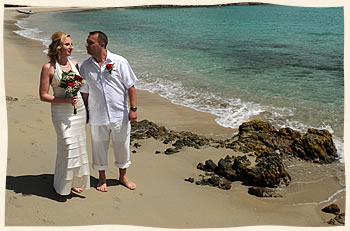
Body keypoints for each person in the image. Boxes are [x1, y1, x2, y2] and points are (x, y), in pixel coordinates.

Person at [80, 31, 137, 192]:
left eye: (90, 42)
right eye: (87, 42)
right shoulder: (85, 66)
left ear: (102, 44)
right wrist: (85, 113)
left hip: (120, 114)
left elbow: (131, 86)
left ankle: (123, 176)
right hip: (97, 115)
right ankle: (102, 178)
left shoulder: (120, 62)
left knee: (122, 146)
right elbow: (84, 92)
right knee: (98, 147)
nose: (86, 45)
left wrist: (133, 109)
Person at [39, 32, 90, 196]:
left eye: (71, 44)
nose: (71, 47)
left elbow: (80, 89)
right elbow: (43, 95)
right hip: (61, 112)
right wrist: (65, 101)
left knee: (78, 146)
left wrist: (87, 108)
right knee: (67, 145)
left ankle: (75, 182)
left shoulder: (75, 63)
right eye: (67, 44)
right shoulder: (48, 68)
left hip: (79, 110)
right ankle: (61, 184)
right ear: (58, 47)